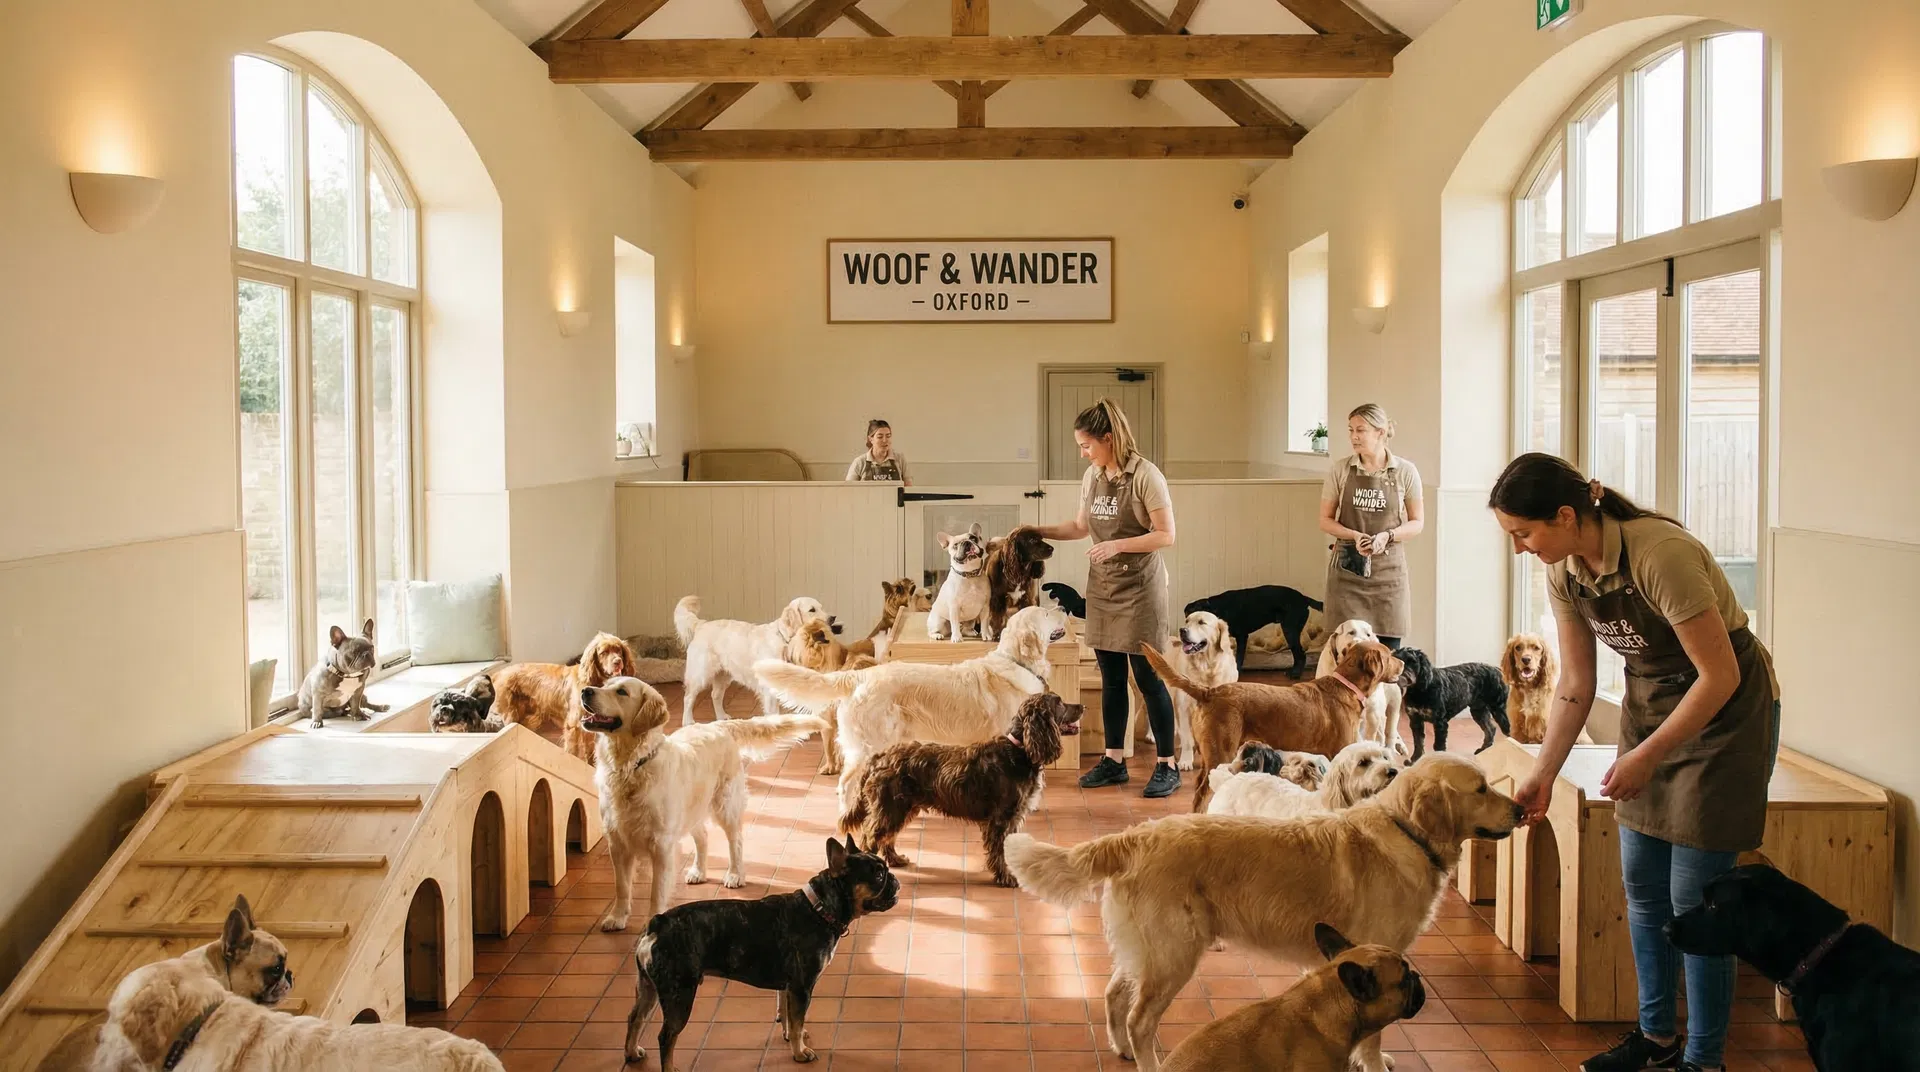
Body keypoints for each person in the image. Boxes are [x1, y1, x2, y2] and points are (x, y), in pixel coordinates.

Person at [1490, 452, 1780, 1072]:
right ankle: (1655, 1041)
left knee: (1696, 900)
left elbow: (1720, 674)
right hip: (1653, 703)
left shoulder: (1658, 554)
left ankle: (1703, 1061)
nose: (1520, 548)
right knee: (1643, 887)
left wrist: (1646, 756)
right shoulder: (1566, 569)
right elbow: (1574, 684)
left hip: (1724, 713)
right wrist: (1540, 773)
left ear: (1566, 515)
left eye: (1524, 533)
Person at [1034, 398, 1182, 798]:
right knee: (1112, 679)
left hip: (1141, 589)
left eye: (1086, 445)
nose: (1082, 452)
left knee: (1148, 680)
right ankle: (1114, 761)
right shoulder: (1092, 475)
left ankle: (1168, 765)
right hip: (1103, 587)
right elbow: (1081, 527)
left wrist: (1117, 546)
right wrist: (1037, 530)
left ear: (1109, 438)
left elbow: (1166, 534)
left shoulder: (1146, 475)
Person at [1317, 403, 1424, 649]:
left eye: (1361, 430)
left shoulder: (1405, 472)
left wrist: (1388, 535)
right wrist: (1354, 535)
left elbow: (1417, 522)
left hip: (1388, 574)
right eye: (1351, 430)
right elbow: (1325, 519)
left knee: (1387, 655)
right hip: (1347, 572)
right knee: (1346, 653)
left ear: (1381, 432)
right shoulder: (1341, 470)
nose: (1354, 436)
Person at [845, 419, 911, 485]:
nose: (885, 440)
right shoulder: (859, 462)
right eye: (880, 437)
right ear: (871, 439)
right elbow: (850, 490)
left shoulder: (900, 459)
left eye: (888, 436)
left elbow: (908, 489)